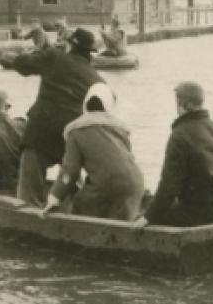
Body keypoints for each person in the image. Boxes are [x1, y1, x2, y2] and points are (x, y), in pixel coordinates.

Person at [0, 27, 103, 206]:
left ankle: (29, 214)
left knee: (29, 184)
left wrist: (38, 51)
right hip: (72, 135)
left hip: (41, 130)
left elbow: (23, 64)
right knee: (70, 178)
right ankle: (73, 214)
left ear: (70, 45)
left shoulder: (55, 56)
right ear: (91, 53)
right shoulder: (96, 78)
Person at [133, 82, 213, 227]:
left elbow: (169, 185)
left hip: (200, 212)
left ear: (183, 104)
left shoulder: (180, 135)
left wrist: (148, 218)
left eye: (177, 102)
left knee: (138, 217)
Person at [41, 82, 144, 221]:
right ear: (109, 105)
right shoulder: (120, 128)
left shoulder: (76, 130)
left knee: (79, 203)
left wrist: (54, 198)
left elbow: (70, 170)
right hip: (136, 184)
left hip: (107, 186)